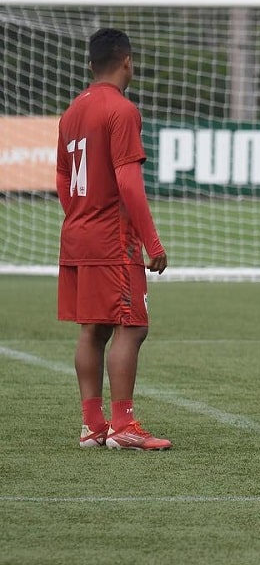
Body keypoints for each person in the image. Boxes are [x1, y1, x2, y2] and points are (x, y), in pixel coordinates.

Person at [57, 28, 171, 450]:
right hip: (111, 239)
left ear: (91, 65)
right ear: (127, 61)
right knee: (133, 327)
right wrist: (152, 243)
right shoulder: (121, 110)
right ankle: (122, 426)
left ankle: (92, 425)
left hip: (77, 235)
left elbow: (63, 177)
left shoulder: (72, 111)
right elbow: (129, 183)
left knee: (93, 330)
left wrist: (80, 217)